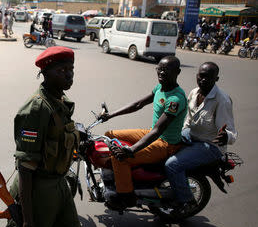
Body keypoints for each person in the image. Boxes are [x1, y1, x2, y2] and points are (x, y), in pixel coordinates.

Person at [0, 46, 85, 227]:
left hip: (59, 187)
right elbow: (25, 168)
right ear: (45, 73)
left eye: (71, 70)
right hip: (36, 191)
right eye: (62, 70)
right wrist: (28, 223)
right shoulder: (36, 109)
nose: (69, 75)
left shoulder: (61, 101)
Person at [100, 56, 187, 210]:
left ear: (177, 72)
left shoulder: (175, 99)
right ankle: (114, 176)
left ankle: (126, 197)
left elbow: (158, 130)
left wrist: (130, 151)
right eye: (159, 68)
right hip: (153, 134)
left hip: (166, 143)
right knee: (109, 134)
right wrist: (110, 115)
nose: (161, 72)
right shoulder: (160, 88)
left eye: (166, 69)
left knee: (121, 158)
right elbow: (138, 104)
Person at [165, 62, 237, 212]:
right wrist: (178, 134)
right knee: (163, 141)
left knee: (172, 165)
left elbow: (231, 132)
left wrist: (226, 136)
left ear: (216, 78)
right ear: (197, 76)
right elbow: (188, 120)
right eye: (201, 76)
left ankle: (187, 200)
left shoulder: (221, 100)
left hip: (210, 145)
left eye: (208, 77)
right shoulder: (194, 93)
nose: (203, 80)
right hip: (191, 134)